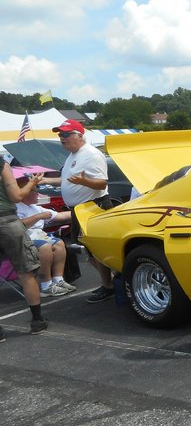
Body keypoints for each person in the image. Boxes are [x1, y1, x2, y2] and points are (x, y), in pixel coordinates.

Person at [48, 120, 116, 302]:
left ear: (79, 135)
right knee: (90, 250)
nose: (61, 138)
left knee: (96, 250)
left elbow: (102, 182)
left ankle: (109, 285)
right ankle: (112, 280)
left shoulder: (91, 154)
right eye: (60, 134)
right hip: (80, 209)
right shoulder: (72, 155)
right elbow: (67, 180)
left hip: (93, 206)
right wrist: (43, 181)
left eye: (66, 134)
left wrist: (83, 182)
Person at [0, 162, 48, 341]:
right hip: (7, 222)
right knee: (26, 273)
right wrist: (32, 183)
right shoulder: (1, 164)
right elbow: (16, 196)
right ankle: (37, 321)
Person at [15, 178, 75, 297]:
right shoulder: (16, 207)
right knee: (45, 246)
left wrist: (80, 213)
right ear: (24, 193)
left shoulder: (35, 207)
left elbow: (59, 216)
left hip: (36, 238)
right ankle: (46, 285)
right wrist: (38, 217)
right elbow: (18, 226)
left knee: (59, 243)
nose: (38, 193)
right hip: (20, 241)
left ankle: (58, 279)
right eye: (34, 190)